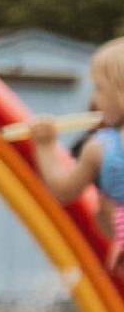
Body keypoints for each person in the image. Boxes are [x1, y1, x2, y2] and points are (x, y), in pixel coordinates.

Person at [31, 40, 124, 256]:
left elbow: (63, 191)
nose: (94, 99)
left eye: (99, 88)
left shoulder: (101, 147)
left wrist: (45, 147)